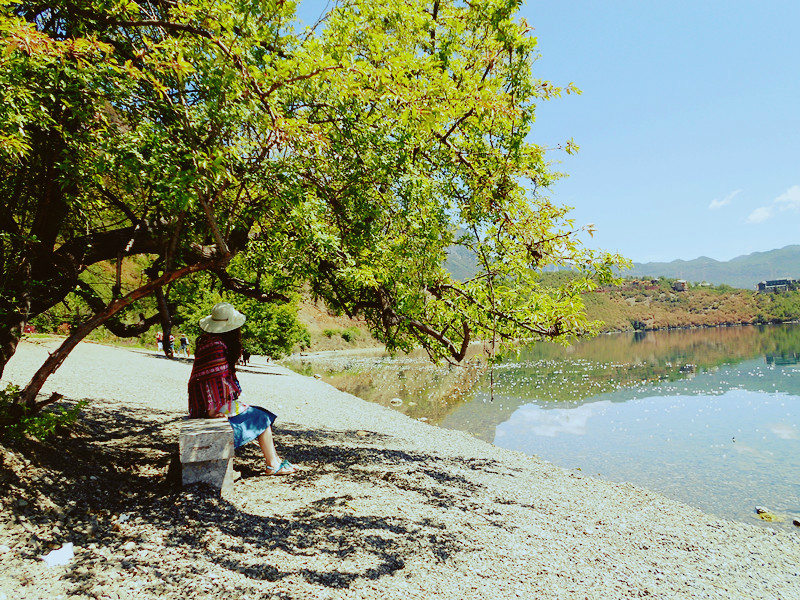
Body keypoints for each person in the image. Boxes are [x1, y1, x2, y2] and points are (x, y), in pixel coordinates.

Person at [187, 302, 297, 476]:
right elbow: (214, 383)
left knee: (259, 413)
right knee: (261, 418)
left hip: (207, 405)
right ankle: (273, 464)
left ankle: (274, 461)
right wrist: (216, 410)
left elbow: (210, 381)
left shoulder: (209, 343)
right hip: (211, 408)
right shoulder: (216, 346)